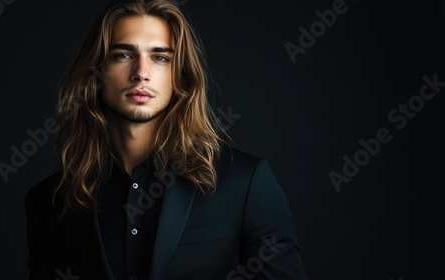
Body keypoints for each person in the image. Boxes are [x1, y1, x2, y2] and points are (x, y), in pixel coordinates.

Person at [25, 0, 307, 279]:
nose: (141, 73)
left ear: (179, 75)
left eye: (160, 57)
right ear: (96, 71)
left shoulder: (245, 183)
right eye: (123, 55)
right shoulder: (50, 201)